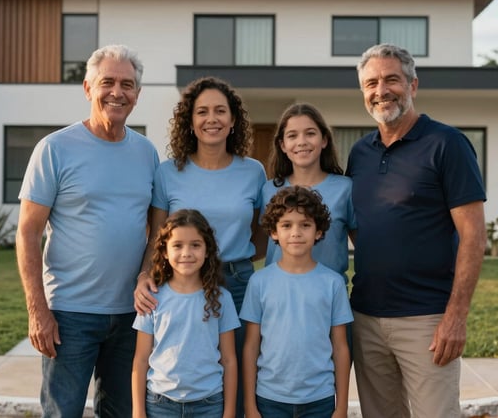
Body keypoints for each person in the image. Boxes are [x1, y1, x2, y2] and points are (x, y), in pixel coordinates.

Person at [16, 44, 159, 418]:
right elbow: (27, 233)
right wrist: (37, 311)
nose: (117, 92)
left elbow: (156, 229)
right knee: (62, 413)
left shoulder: (146, 153)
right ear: (87, 88)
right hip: (69, 315)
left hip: (131, 313)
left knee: (123, 413)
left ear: (137, 95)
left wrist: (146, 273)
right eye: (107, 82)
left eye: (127, 84)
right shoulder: (55, 149)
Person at [346, 43, 487, 418]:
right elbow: (363, 229)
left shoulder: (447, 144)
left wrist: (455, 316)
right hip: (367, 316)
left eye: (392, 79)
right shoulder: (359, 154)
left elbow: (473, 236)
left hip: (426, 321)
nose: (381, 90)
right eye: (371, 83)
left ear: (412, 85)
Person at [134, 76, 266, 416]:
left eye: (221, 111)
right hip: (179, 283)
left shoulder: (253, 172)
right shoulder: (168, 173)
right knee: (182, 365)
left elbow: (261, 232)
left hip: (236, 284)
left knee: (236, 375)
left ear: (234, 119)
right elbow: (157, 236)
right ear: (190, 121)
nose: (212, 119)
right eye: (202, 112)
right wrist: (144, 275)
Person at [241, 186, 353, 418]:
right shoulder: (259, 282)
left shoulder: (333, 284)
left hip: (319, 399)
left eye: (305, 225)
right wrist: (250, 406)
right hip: (270, 399)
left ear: (318, 231)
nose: (296, 233)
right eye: (286, 225)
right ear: (273, 232)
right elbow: (251, 346)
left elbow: (341, 348)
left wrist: (341, 407)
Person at [132, 209, 239, 418]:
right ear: (164, 251)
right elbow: (141, 359)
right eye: (177, 246)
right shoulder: (152, 298)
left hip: (209, 403)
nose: (186, 253)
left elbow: (229, 360)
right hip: (160, 403)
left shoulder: (221, 299)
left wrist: (230, 412)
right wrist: (138, 411)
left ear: (208, 250)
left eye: (196, 245)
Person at [261, 103, 356, 283]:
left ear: (324, 140)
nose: (302, 141)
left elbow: (362, 245)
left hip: (329, 297)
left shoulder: (345, 188)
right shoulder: (268, 190)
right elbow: (260, 243)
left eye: (310, 133)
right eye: (292, 135)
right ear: (282, 145)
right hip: (278, 293)